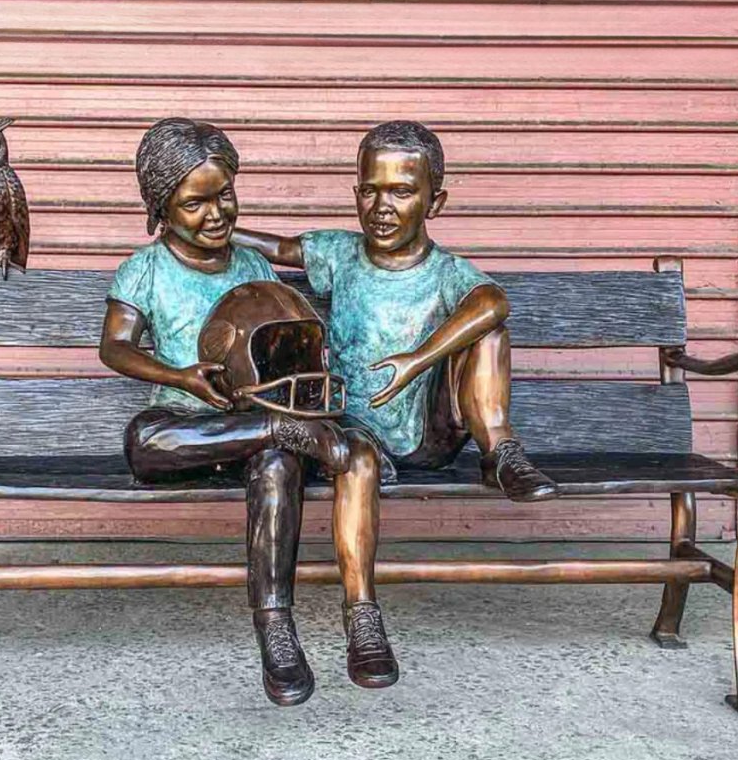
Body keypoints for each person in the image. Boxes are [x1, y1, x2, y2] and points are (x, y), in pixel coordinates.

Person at [98, 118, 398, 708]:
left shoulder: (251, 267)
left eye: (224, 195)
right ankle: (275, 431)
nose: (215, 214)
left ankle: (276, 627)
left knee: (278, 465)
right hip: (188, 426)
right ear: (160, 207)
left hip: (255, 422)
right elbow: (115, 347)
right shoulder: (145, 268)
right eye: (194, 203)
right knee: (142, 441)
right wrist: (178, 375)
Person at [234, 120, 559, 502]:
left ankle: (501, 453)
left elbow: (493, 302)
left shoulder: (446, 271)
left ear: (434, 203)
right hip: (350, 427)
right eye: (370, 191)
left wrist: (417, 360)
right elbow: (280, 249)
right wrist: (213, 226)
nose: (382, 208)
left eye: (401, 192)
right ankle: (368, 452)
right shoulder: (340, 252)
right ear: (356, 194)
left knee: (488, 332)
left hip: (428, 433)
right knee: (347, 440)